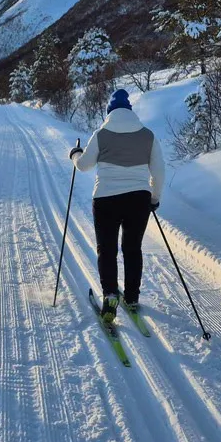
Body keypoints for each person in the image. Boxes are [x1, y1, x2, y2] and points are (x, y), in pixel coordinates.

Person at [68, 89, 165, 322]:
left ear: (109, 111)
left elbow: (83, 165)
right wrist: (154, 198)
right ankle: (131, 297)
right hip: (138, 199)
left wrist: (75, 153)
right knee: (133, 249)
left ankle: (110, 296)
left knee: (107, 250)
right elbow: (159, 172)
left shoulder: (101, 134)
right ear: (129, 110)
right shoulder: (148, 135)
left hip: (106, 199)